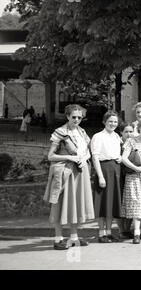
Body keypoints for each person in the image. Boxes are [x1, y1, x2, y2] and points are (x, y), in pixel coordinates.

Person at [43, 104, 94, 250]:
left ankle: (74, 237)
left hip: (80, 172)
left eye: (79, 117)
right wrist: (70, 158)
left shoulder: (82, 131)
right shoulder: (60, 132)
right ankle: (58, 238)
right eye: (74, 117)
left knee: (75, 204)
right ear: (67, 117)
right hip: (65, 172)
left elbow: (89, 150)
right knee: (60, 203)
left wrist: (85, 157)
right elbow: (50, 156)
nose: (77, 120)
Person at [91, 111, 123, 243]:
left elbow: (118, 152)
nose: (113, 124)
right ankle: (101, 233)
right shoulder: (98, 137)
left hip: (115, 169)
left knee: (111, 202)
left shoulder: (116, 136)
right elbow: (95, 157)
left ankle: (109, 232)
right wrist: (100, 176)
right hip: (104, 170)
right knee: (102, 202)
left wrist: (120, 157)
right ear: (104, 122)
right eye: (110, 121)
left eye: (115, 122)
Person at [118, 123, 135, 239]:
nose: (129, 134)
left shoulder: (134, 144)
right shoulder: (117, 144)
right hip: (119, 175)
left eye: (131, 132)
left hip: (131, 175)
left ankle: (128, 229)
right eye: (126, 132)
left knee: (129, 202)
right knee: (119, 202)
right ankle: (121, 229)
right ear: (121, 133)